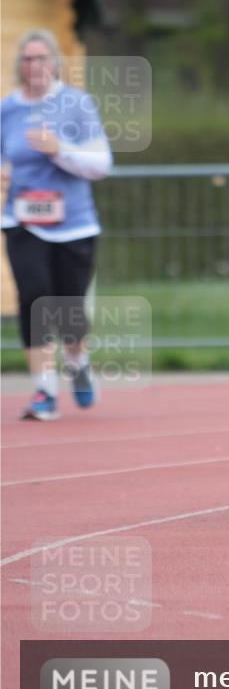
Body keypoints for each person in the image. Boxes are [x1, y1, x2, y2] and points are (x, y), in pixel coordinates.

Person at [1, 29, 112, 420]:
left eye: (41, 58)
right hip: (21, 221)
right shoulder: (7, 109)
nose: (34, 66)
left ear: (54, 63)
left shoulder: (76, 104)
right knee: (34, 297)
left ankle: (77, 361)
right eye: (27, 59)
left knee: (69, 309)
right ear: (20, 65)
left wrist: (58, 149)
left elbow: (101, 164)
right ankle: (43, 390)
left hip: (74, 224)